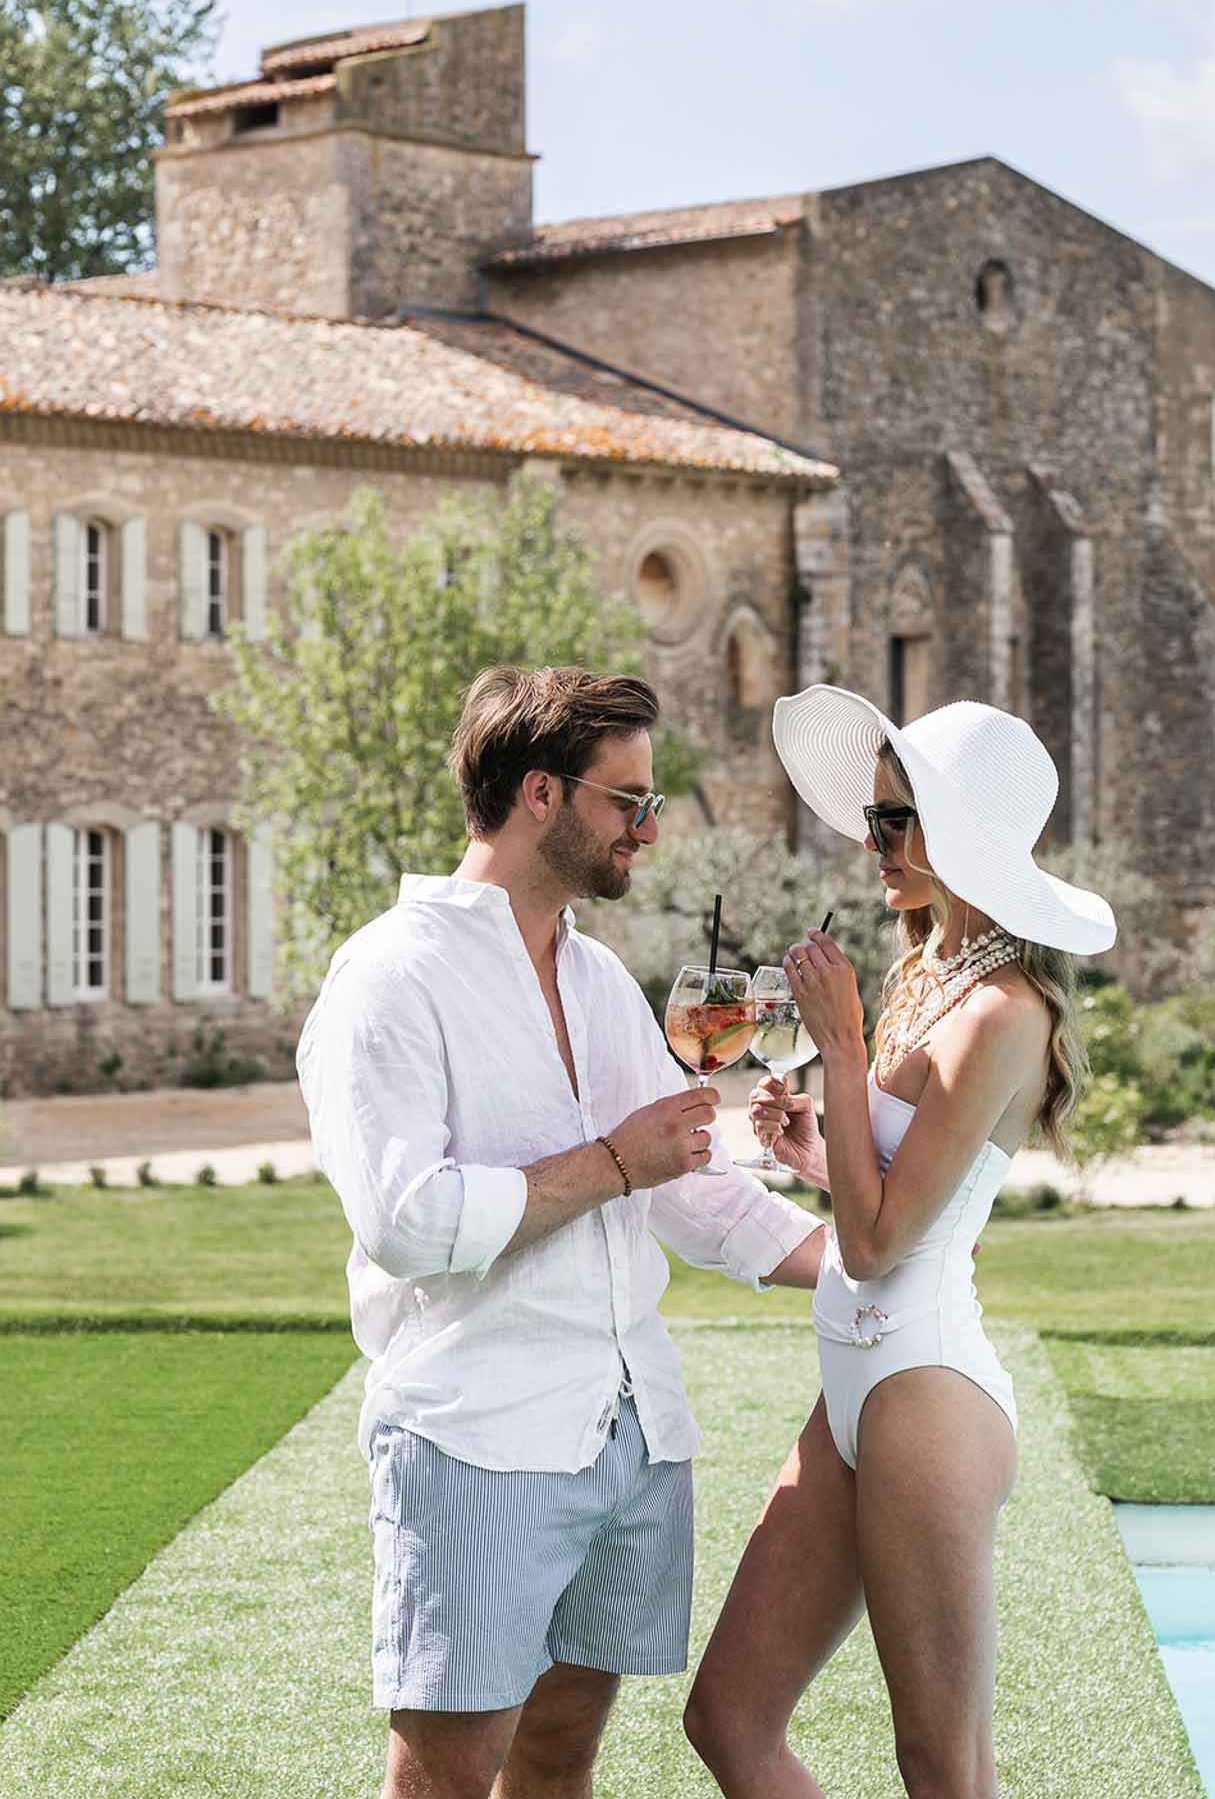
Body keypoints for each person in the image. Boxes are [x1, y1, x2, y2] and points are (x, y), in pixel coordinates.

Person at [296, 664, 826, 1799]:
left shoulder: (595, 975)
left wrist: (873, 1259)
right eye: (626, 800)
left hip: (631, 1436)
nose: (648, 827)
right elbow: (407, 1219)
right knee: (444, 1778)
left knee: (558, 1758)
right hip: (476, 1437)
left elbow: (692, 1187)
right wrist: (609, 1163)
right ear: (540, 792)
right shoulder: (389, 976)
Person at [685, 688, 1117, 1799]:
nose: (871, 841)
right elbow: (892, 1199)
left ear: (959, 829)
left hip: (922, 1385)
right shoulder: (924, 972)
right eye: (872, 817)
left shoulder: (1003, 1012)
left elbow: (880, 1248)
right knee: (729, 1717)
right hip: (853, 1377)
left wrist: (837, 1049)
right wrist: (818, 1155)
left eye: (893, 820)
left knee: (938, 1766)